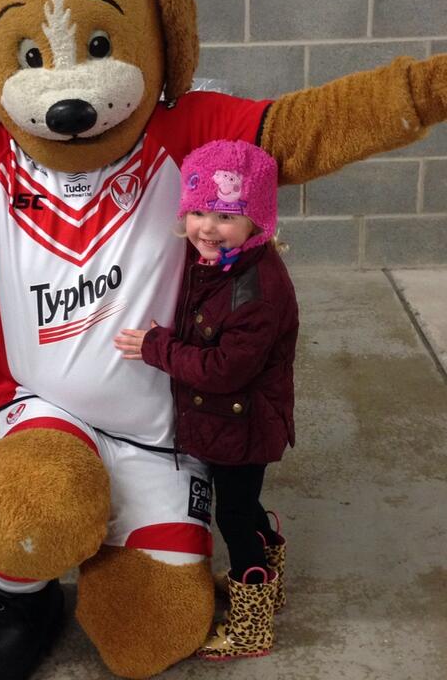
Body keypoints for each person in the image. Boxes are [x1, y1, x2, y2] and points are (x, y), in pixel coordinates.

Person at [114, 138, 299, 660]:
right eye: (197, 211)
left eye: (224, 215)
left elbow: (223, 370)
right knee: (244, 504)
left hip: (242, 428)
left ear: (256, 221)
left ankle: (251, 619)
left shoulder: (255, 290)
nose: (206, 228)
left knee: (235, 517)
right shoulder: (221, 266)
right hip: (229, 425)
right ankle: (270, 578)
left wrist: (157, 347)